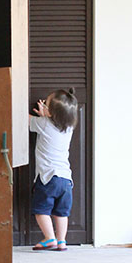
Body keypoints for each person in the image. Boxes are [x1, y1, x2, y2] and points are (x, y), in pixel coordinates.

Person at [30, 89, 78, 251]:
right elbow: (51, 127)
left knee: (41, 210)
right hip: (66, 179)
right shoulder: (69, 128)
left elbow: (26, 120)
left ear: (51, 112)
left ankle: (49, 238)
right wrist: (46, 114)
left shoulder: (42, 124)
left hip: (48, 177)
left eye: (46, 103)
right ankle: (61, 241)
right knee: (61, 213)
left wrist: (41, 116)